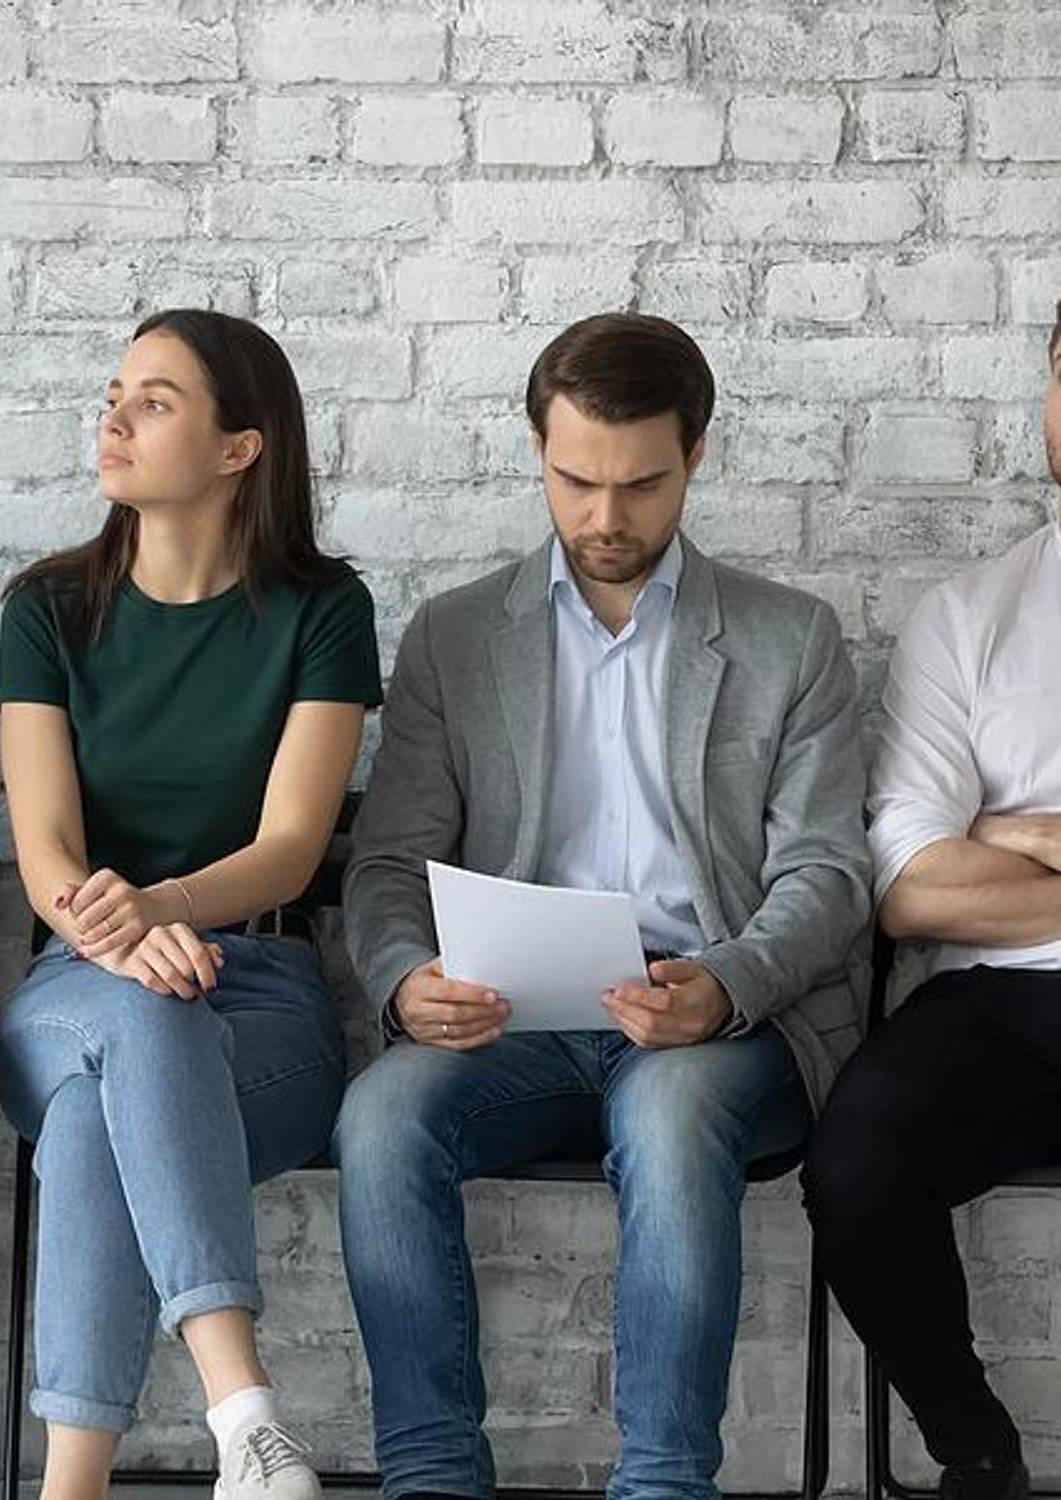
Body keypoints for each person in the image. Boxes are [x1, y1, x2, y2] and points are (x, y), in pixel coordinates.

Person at [335, 312, 870, 1500]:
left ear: (696, 456)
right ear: (536, 449)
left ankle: (664, 1484)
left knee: (671, 1123)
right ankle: (427, 1476)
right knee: (381, 1119)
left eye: (641, 484)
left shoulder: (790, 642)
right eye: (575, 481)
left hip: (716, 1022)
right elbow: (384, 866)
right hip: (510, 1019)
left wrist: (726, 982)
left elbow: (827, 875)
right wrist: (403, 980)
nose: (604, 519)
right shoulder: (457, 636)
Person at [0, 308, 382, 1500]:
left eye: (154, 400)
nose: (113, 416)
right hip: (72, 980)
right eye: (115, 390)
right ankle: (243, 1411)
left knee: (91, 1129)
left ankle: (72, 1491)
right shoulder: (46, 607)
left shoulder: (322, 611)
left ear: (237, 448)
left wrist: (163, 905)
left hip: (259, 994)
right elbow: (45, 843)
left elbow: (288, 847)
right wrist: (121, 935)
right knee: (137, 1021)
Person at [804, 303, 1061, 1500]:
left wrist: (1013, 838)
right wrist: (966, 860)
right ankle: (974, 1451)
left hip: (1008, 944)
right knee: (853, 1158)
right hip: (996, 1009)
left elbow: (957, 863)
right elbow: (909, 889)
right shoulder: (970, 618)